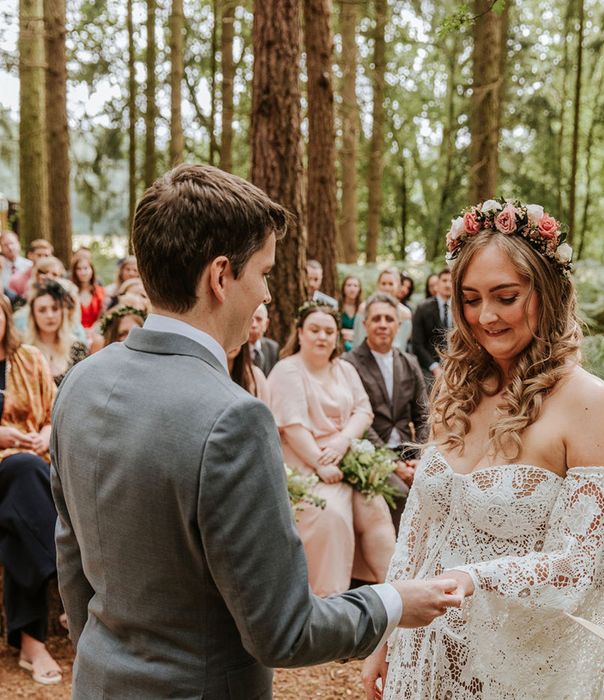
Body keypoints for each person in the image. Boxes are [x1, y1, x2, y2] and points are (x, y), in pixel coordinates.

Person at [50, 164, 463, 698]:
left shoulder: (80, 382)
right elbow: (284, 631)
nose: (268, 295)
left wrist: (104, 659)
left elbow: (73, 561)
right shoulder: (233, 419)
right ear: (221, 277)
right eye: (264, 273)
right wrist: (395, 602)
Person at [362, 198, 604, 699]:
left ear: (546, 292)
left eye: (506, 297)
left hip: (514, 670)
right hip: (425, 657)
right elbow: (419, 530)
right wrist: (386, 625)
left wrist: (474, 577)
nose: (485, 316)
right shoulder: (456, 389)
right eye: (470, 298)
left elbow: (584, 564)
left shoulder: (586, 401)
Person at [267, 301, 397, 595]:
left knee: (375, 510)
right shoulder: (288, 370)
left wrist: (342, 442)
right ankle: (328, 600)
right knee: (332, 515)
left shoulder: (344, 370)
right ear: (300, 333)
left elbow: (363, 411)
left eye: (329, 331)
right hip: (304, 464)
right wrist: (320, 463)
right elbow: (293, 426)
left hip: (345, 455)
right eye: (314, 330)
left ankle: (393, 592)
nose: (322, 337)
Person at [0, 294, 62, 685]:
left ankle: (32, 645)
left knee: (21, 512)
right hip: (16, 469)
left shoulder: (30, 360)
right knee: (25, 474)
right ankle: (70, 577)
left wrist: (45, 433)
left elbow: (56, 415)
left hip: (27, 476)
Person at [343, 292, 428, 531]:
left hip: (408, 451)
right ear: (365, 324)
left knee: (434, 483)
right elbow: (356, 419)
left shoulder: (409, 362)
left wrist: (420, 458)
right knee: (400, 492)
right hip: (369, 452)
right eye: (377, 318)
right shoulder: (349, 363)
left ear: (398, 326)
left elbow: (423, 415)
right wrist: (391, 464)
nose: (383, 324)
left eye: (389, 319)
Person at [26, 280, 88, 385]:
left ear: (62, 312)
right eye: (42, 310)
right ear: (33, 314)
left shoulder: (78, 348)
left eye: (55, 309)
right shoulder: (23, 350)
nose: (50, 315)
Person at [353, 269, 412, 352]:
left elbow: (401, 345)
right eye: (383, 284)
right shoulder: (364, 308)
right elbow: (358, 341)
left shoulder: (405, 314)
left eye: (391, 284)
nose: (387, 288)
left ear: (398, 286)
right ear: (378, 285)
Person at [411, 267, 452, 382]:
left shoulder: (460, 308)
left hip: (455, 366)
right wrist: (434, 367)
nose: (448, 285)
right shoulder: (422, 308)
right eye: (444, 280)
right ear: (437, 284)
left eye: (451, 281)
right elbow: (417, 344)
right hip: (429, 367)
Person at [70, 256, 105, 332]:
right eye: (79, 269)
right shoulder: (70, 291)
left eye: (86, 268)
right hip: (75, 332)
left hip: (96, 332)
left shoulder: (100, 291)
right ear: (74, 272)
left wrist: (92, 330)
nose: (83, 272)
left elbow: (102, 317)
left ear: (92, 270)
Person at [248, 303, 279, 376]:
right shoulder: (236, 349)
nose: (254, 325)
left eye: (259, 319)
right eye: (251, 319)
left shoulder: (273, 348)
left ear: (266, 324)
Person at [339, 275, 363, 352]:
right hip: (341, 343)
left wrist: (354, 334)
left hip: (359, 343)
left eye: (355, 286)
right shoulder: (337, 306)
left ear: (359, 289)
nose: (352, 289)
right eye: (349, 285)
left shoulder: (363, 308)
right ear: (343, 288)